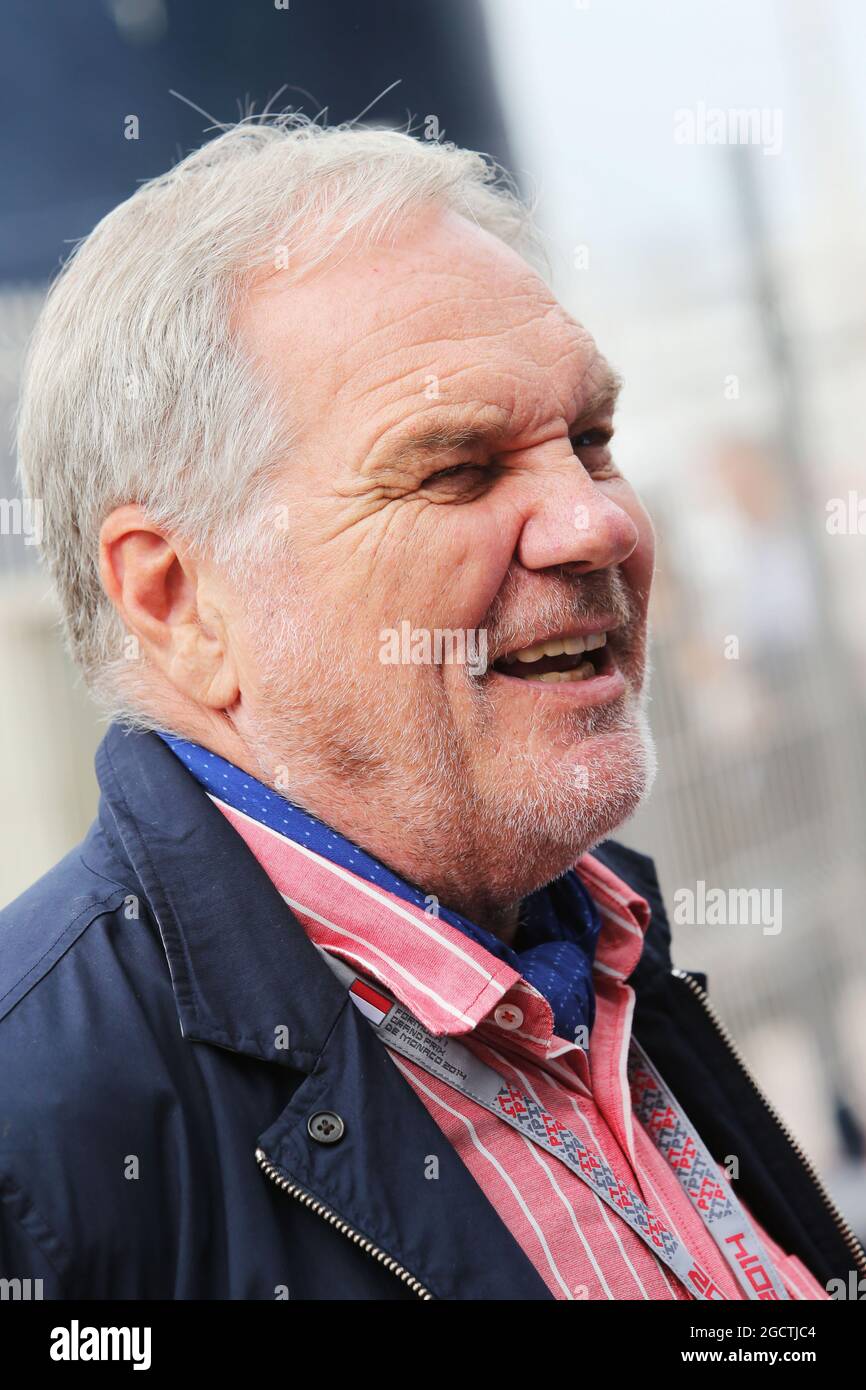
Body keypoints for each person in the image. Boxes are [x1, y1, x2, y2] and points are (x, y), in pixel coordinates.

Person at [1, 118, 859, 1300]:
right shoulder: (39, 1142)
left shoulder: (598, 951)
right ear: (179, 601)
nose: (597, 520)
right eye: (455, 468)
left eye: (589, 440)